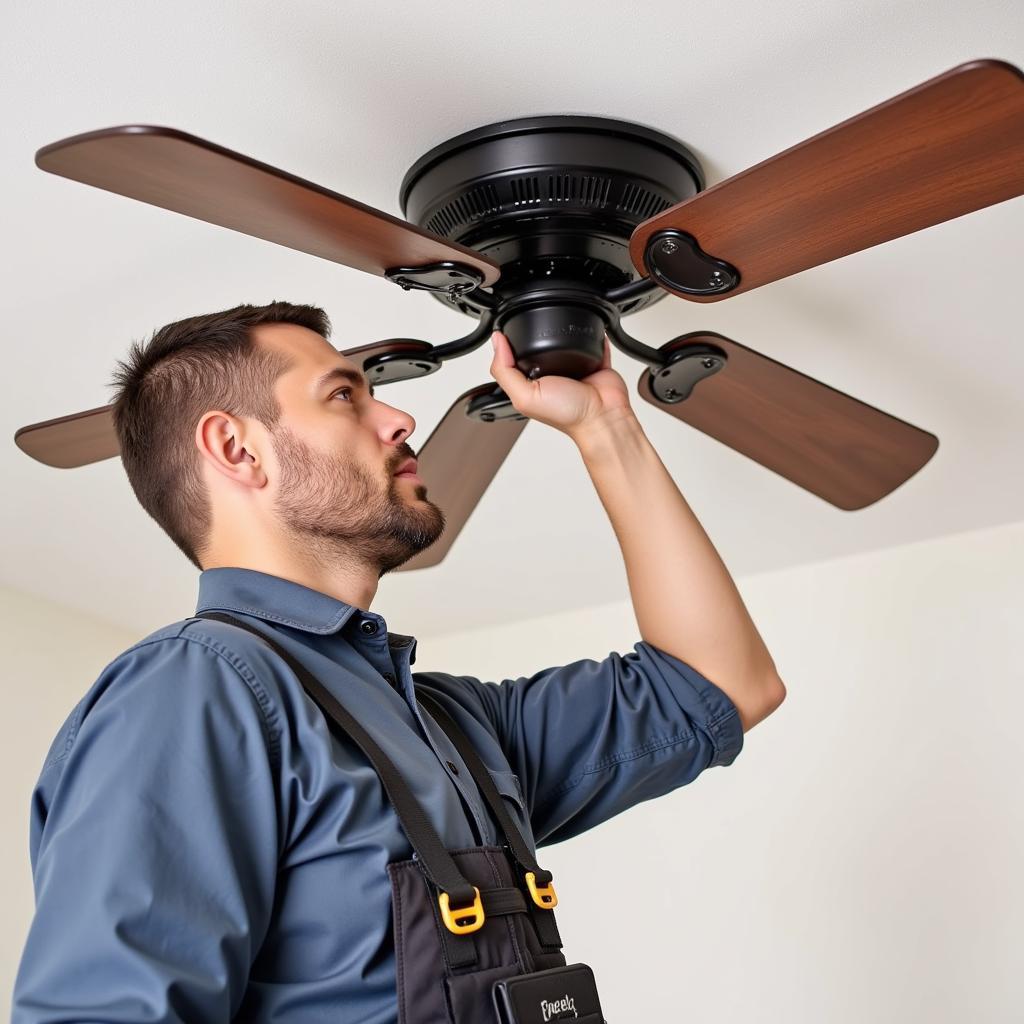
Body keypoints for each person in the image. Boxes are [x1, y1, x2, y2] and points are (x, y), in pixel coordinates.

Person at [11, 300, 786, 1022]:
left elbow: (723, 684)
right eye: (345, 395)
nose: (400, 417)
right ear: (237, 449)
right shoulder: (193, 691)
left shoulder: (454, 728)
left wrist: (607, 429)